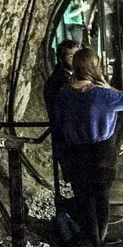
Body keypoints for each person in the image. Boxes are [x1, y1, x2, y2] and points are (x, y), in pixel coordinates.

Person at [54, 48, 123, 247]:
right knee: (102, 200)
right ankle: (98, 246)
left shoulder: (64, 94)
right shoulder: (102, 94)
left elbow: (59, 121)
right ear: (95, 66)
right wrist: (109, 87)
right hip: (101, 153)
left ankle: (94, 243)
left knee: (85, 200)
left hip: (75, 152)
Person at [44, 39, 80, 181]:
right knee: (78, 181)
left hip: (75, 139)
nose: (76, 60)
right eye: (71, 56)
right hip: (68, 140)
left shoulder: (74, 76)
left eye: (77, 55)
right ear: (61, 58)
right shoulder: (57, 82)